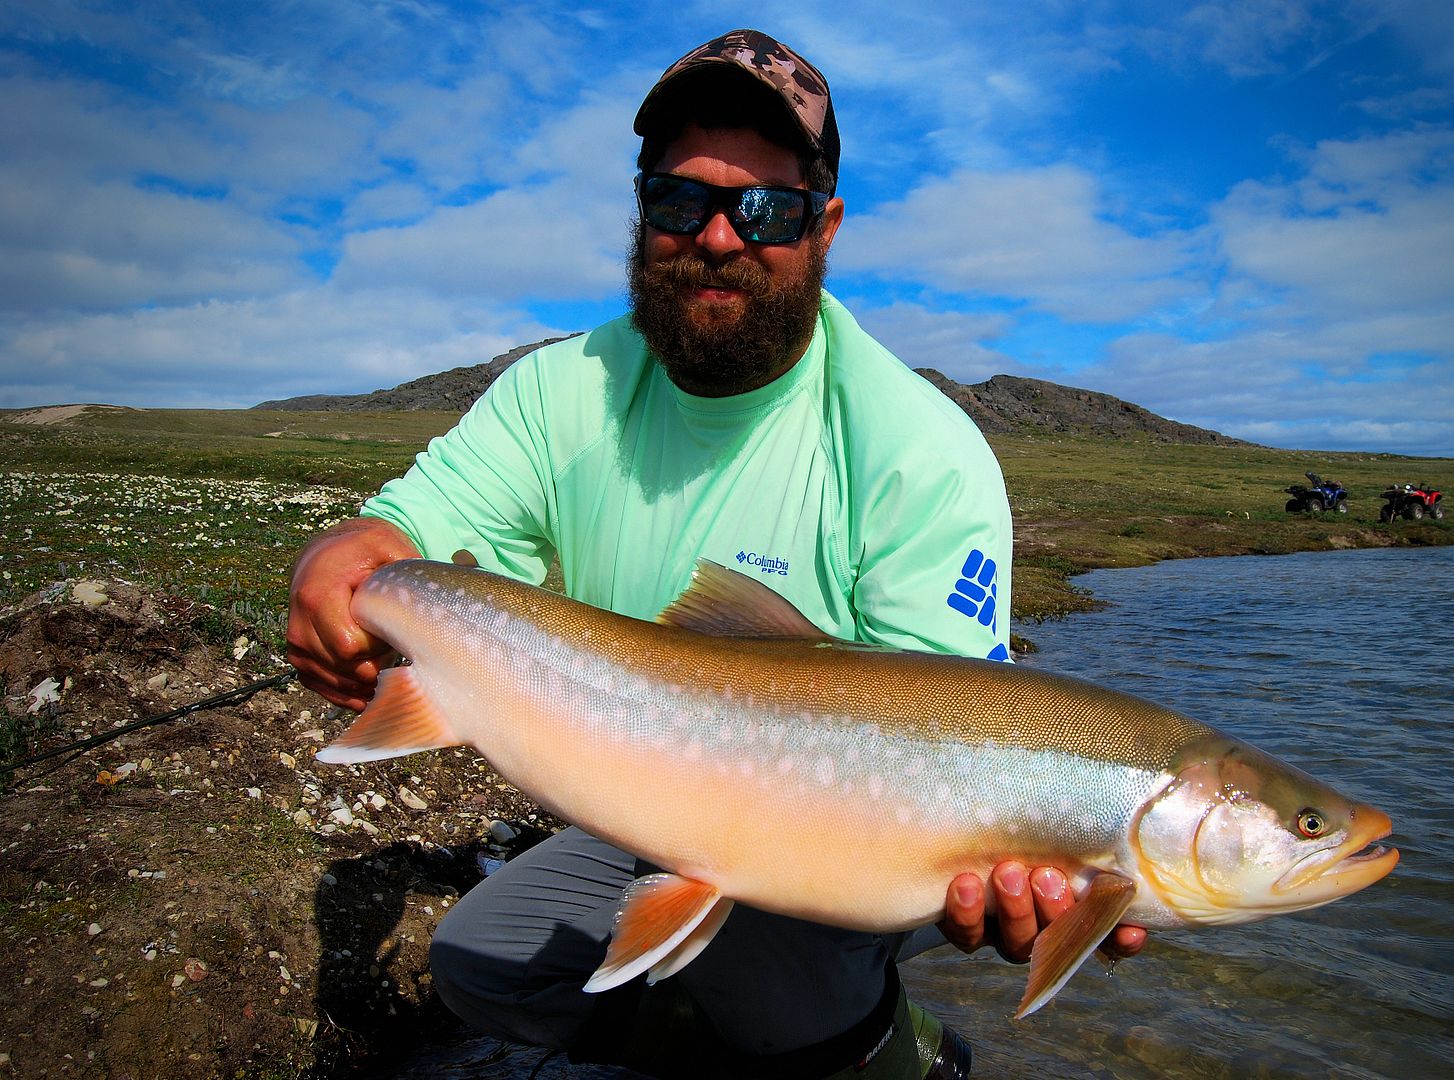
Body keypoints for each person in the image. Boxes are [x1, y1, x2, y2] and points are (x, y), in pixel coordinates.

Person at [287, 28, 1142, 1079]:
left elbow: (951, 761)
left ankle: (902, 1060)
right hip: (663, 807)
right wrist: (340, 566)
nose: (720, 237)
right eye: (679, 201)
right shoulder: (558, 393)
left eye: (767, 208)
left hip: (868, 849)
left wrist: (1045, 886)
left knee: (768, 961)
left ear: (824, 225)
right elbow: (398, 538)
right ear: (641, 211)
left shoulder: (920, 452)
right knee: (483, 963)